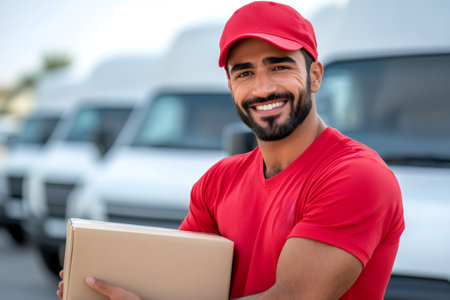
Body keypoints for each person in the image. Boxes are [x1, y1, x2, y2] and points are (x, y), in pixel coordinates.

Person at [57, 1, 404, 299]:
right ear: (230, 86)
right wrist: (100, 284)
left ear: (314, 75)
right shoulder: (219, 181)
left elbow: (292, 296)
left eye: (279, 66)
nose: (263, 88)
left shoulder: (356, 175)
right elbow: (175, 281)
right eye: (244, 73)